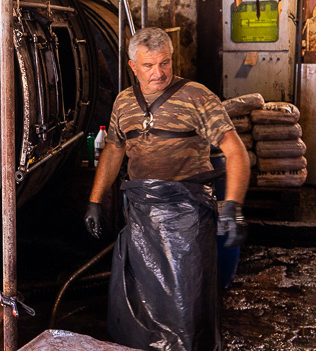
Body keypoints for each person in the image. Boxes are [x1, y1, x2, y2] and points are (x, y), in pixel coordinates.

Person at [84, 27, 249, 351]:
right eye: (149, 66)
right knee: (140, 305)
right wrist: (94, 200)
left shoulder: (197, 97)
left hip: (187, 218)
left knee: (189, 309)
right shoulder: (124, 102)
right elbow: (114, 150)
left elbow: (235, 150)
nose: (158, 73)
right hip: (142, 217)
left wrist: (233, 205)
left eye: (165, 63)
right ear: (133, 66)